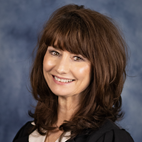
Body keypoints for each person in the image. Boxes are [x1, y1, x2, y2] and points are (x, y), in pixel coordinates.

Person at [13, 4, 134, 142]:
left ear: (100, 68)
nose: (60, 68)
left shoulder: (111, 138)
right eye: (55, 52)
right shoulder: (26, 133)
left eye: (77, 58)